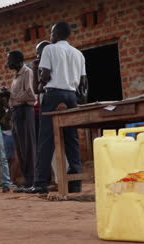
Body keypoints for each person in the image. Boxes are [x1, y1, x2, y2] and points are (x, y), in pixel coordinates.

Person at [28, 21, 88, 194]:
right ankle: (75, 183)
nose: (50, 35)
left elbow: (45, 74)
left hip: (53, 94)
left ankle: (40, 183)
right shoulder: (78, 54)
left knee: (46, 139)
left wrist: (40, 84)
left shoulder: (49, 49)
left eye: (52, 32)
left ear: (57, 34)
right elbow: (83, 82)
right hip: (71, 95)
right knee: (72, 139)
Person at [6, 50, 37, 193]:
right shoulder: (16, 76)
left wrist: (11, 95)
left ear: (18, 60)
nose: (7, 63)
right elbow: (16, 97)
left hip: (25, 111)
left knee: (27, 147)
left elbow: (30, 94)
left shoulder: (27, 72)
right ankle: (26, 182)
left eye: (9, 60)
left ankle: (32, 181)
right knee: (20, 149)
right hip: (16, 113)